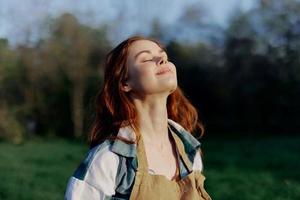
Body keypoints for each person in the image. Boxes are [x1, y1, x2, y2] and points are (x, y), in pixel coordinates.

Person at [64, 35, 212, 200]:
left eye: (164, 56)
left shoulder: (189, 151)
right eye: (147, 58)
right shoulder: (110, 158)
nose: (162, 59)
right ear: (125, 83)